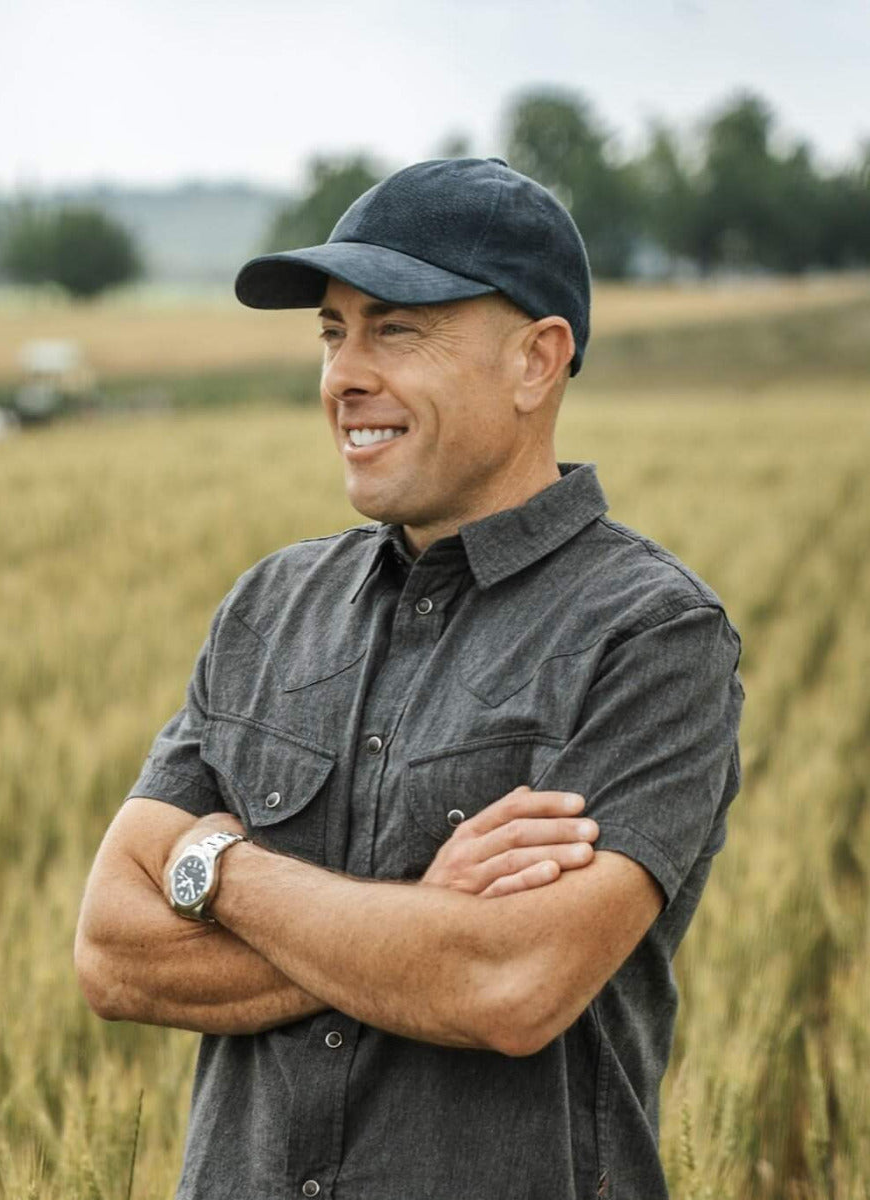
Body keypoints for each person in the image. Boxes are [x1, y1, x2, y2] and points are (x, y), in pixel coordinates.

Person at [74, 156, 744, 1200]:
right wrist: (418, 917)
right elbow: (113, 954)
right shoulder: (269, 606)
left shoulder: (652, 636)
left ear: (537, 361)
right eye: (333, 332)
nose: (345, 376)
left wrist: (216, 867)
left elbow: (511, 983)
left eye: (396, 328)